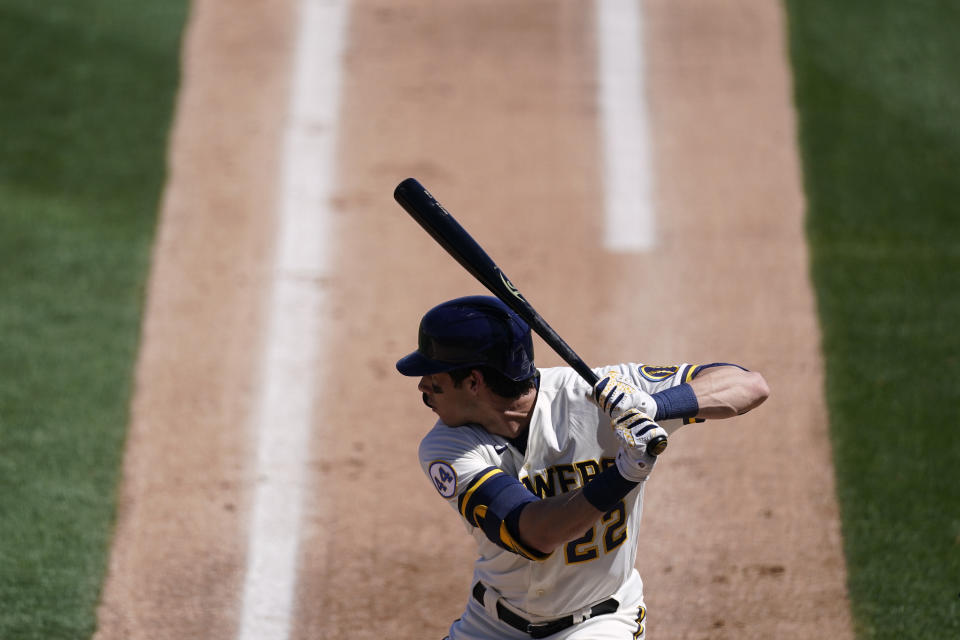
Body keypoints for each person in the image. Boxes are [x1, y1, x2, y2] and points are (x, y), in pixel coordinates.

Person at [396, 295, 769, 639]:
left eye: (434, 378)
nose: (422, 388)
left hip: (599, 622)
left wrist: (657, 407)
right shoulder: (445, 446)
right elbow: (535, 533)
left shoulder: (601, 395)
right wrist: (624, 475)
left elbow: (749, 385)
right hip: (489, 626)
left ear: (474, 381)